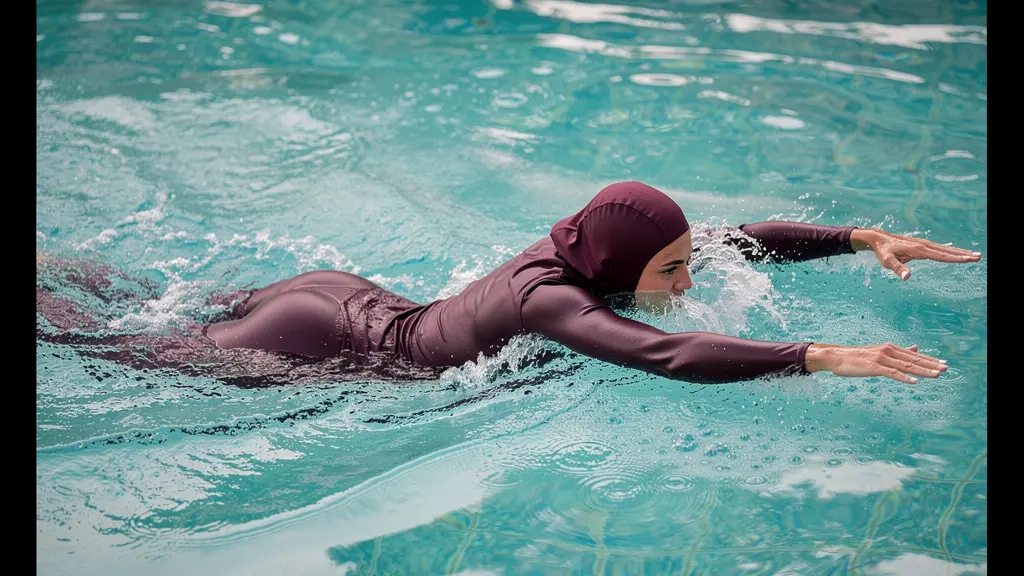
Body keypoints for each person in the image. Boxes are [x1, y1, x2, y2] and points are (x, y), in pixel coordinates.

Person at [37, 181, 981, 386]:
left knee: (134, 300)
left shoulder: (590, 248)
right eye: (674, 270)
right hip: (315, 339)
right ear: (617, 270)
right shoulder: (552, 301)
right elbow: (661, 350)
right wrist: (817, 355)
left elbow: (742, 237)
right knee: (109, 345)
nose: (693, 281)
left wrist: (859, 237)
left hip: (331, 288)